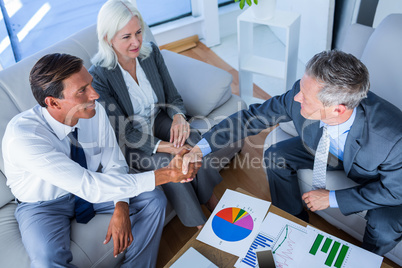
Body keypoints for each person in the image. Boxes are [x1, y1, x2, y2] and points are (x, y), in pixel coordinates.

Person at [182, 50, 402, 256]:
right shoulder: (301, 93)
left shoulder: (393, 139)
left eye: (305, 97)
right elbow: (251, 118)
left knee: (384, 225)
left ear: (338, 109)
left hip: (385, 180)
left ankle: (366, 259)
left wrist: (333, 198)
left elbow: (395, 192)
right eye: (301, 90)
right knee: (276, 154)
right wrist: (201, 148)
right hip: (329, 150)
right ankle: (292, 220)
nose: (297, 98)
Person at [2, 53, 201, 268]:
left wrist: (121, 205)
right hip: (44, 205)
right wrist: (168, 174)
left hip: (93, 187)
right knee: (46, 261)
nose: (95, 94)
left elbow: (114, 163)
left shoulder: (94, 112)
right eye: (82, 91)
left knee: (154, 200)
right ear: (53, 102)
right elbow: (87, 185)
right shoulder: (25, 137)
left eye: (90, 84)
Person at [89, 0, 221, 228]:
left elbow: (173, 98)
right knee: (167, 163)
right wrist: (169, 147)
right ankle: (200, 224)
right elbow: (124, 132)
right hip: (132, 141)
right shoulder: (99, 77)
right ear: (108, 39)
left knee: (195, 141)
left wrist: (179, 116)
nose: (136, 41)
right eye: (126, 36)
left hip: (158, 120)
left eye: (138, 32)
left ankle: (209, 198)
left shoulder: (151, 53)